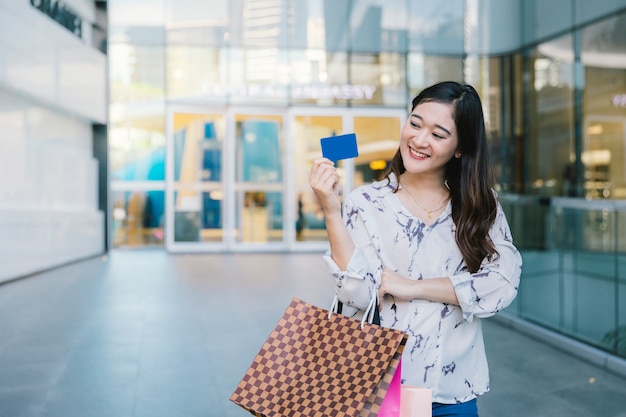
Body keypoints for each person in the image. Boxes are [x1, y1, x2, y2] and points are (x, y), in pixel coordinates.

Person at [310, 81, 522, 417]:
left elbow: (500, 286)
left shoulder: (480, 206)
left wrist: (410, 286)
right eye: (415, 123)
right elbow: (357, 293)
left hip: (454, 394)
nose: (420, 140)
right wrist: (330, 210)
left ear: (460, 148)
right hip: (380, 393)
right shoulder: (366, 203)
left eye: (438, 134)